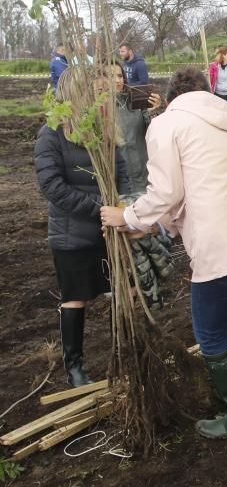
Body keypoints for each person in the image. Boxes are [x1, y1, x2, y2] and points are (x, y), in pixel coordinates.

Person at [101, 67, 227, 440]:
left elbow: (166, 190)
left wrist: (128, 215)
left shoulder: (167, 124)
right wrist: (154, 225)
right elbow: (197, 183)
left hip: (220, 241)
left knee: (209, 330)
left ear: (171, 96)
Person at [34, 66, 129, 388]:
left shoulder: (103, 129)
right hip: (73, 235)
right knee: (75, 297)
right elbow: (52, 186)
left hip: (111, 229)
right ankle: (74, 367)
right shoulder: (51, 134)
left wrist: (123, 207)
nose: (103, 95)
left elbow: (124, 173)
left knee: (124, 289)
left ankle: (127, 353)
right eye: (95, 91)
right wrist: (99, 210)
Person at [111, 62, 161, 194]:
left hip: (144, 178)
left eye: (119, 76)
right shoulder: (98, 111)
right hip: (117, 185)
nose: (117, 80)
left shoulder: (135, 102)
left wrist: (152, 111)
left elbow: (156, 134)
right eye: (110, 76)